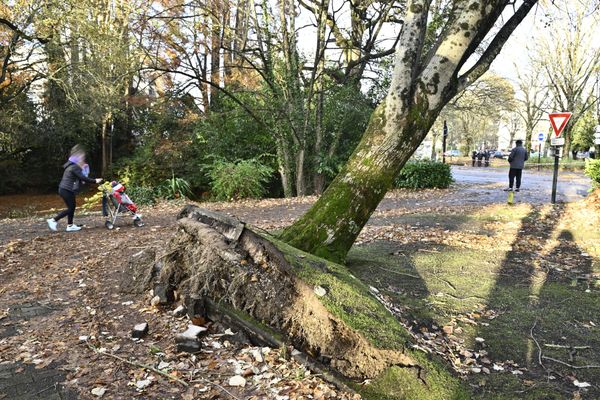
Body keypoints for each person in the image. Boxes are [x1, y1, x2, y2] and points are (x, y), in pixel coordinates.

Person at [47, 145, 103, 232]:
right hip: (66, 189)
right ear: (77, 159)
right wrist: (95, 180)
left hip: (64, 189)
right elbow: (83, 178)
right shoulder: (74, 167)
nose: (83, 160)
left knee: (71, 207)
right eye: (81, 158)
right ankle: (53, 220)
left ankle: (70, 225)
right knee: (71, 208)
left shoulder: (71, 166)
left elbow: (80, 178)